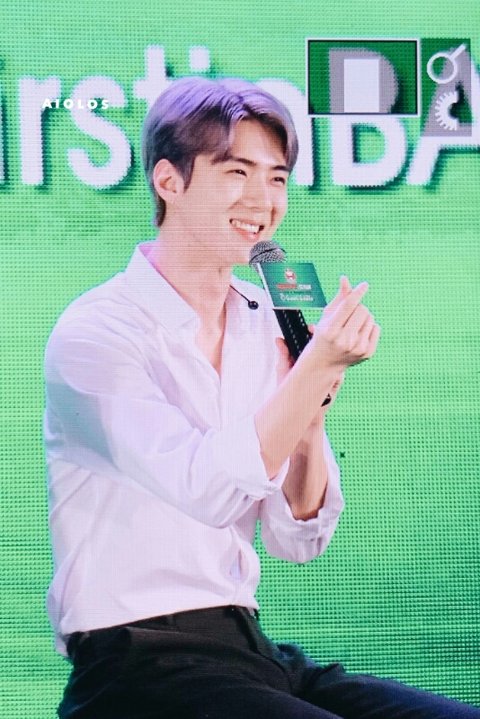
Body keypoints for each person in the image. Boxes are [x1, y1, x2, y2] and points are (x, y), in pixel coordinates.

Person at [44, 76, 479, 719]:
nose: (263, 200)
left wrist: (310, 410)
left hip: (250, 649)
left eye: (277, 178)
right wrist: (311, 371)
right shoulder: (97, 333)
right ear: (169, 181)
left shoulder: (264, 318)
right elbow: (208, 490)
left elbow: (295, 538)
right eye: (237, 172)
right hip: (136, 662)